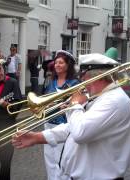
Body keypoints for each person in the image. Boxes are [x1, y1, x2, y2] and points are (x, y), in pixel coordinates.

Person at [12, 53, 130, 180]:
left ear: (98, 77)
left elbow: (80, 132)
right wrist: (37, 137)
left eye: (84, 77)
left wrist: (75, 105)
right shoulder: (102, 97)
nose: (82, 82)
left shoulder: (113, 101)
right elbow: (72, 128)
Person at [42, 50, 79, 180]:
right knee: (50, 161)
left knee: (62, 161)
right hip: (49, 124)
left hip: (64, 127)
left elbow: (79, 105)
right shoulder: (50, 83)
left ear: (68, 65)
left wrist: (69, 107)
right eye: (56, 62)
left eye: (61, 62)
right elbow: (44, 103)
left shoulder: (74, 84)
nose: (57, 65)